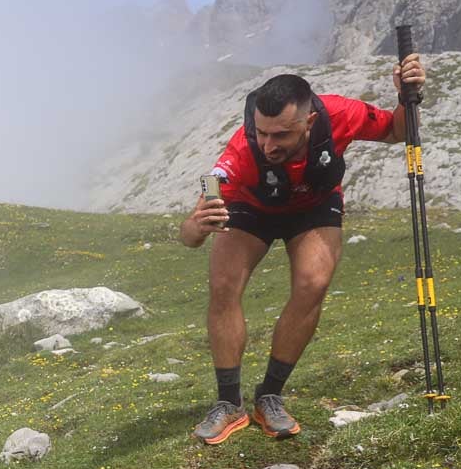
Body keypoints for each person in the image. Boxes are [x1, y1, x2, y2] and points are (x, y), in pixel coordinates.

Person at [179, 53, 427, 444]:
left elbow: (396, 132)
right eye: (261, 133)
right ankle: (229, 404)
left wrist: (404, 95)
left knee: (313, 283)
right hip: (252, 204)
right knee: (223, 284)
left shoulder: (340, 114)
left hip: (313, 205)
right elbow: (190, 238)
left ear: (309, 121)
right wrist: (195, 226)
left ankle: (270, 397)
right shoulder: (241, 154)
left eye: (280, 135)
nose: (267, 144)